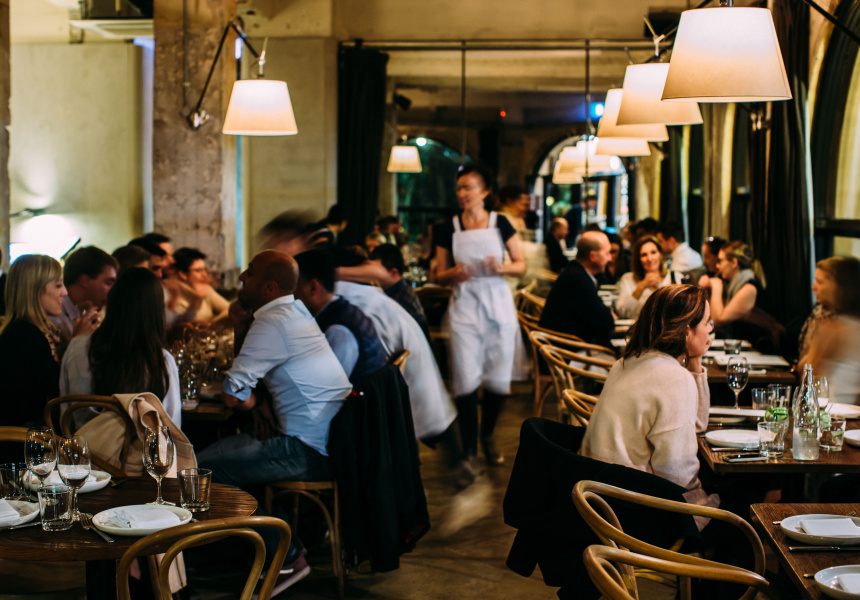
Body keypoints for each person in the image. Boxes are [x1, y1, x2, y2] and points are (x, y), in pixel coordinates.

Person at [197, 250, 352, 593]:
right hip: (328, 439)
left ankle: (287, 556)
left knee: (203, 474)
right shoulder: (295, 310)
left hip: (307, 449)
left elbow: (232, 396)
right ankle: (268, 548)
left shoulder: (271, 323)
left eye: (249, 273)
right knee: (209, 461)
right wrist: (261, 403)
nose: (241, 277)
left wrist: (255, 403)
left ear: (268, 287)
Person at [580, 285, 716, 515]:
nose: (711, 329)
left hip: (597, 497)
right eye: (706, 323)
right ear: (686, 331)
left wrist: (695, 361)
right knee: (742, 504)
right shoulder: (674, 378)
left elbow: (697, 425)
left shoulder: (627, 362)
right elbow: (676, 475)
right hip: (634, 510)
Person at [434, 164, 525, 466]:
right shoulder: (449, 227)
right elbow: (438, 274)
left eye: (468, 187)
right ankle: (469, 450)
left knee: (497, 380)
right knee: (465, 379)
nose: (462, 193)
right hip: (464, 308)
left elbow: (520, 264)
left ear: (485, 192)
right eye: (459, 188)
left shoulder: (501, 223)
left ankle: (488, 434)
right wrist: (454, 273)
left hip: (498, 306)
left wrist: (501, 267)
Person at [60, 267, 182, 424]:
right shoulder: (161, 360)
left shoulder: (77, 347)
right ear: (157, 311)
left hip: (83, 438)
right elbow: (171, 424)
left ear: (112, 300)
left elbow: (66, 411)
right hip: (142, 440)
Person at [292, 249, 387, 383]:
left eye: (293, 287)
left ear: (313, 287)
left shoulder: (339, 330)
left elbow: (326, 388)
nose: (289, 295)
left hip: (358, 396)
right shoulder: (341, 309)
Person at [0, 255, 64, 426]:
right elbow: (60, 391)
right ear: (36, 290)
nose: (64, 292)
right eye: (58, 285)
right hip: (23, 437)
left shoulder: (19, 329)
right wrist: (78, 343)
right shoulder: (27, 336)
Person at [798, 256, 860, 404]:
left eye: (820, 282)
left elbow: (808, 377)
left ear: (842, 287)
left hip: (831, 412)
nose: (813, 287)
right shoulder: (848, 324)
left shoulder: (833, 328)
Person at [538, 230, 615, 347]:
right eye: (607, 253)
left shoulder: (575, 271)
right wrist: (609, 315)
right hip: (567, 353)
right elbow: (607, 322)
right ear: (593, 256)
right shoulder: (578, 279)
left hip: (564, 346)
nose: (610, 259)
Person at [698, 240, 779, 350]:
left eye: (720, 261)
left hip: (757, 351)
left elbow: (718, 320)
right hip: (741, 348)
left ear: (734, 263)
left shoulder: (750, 288)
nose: (717, 266)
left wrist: (716, 286)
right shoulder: (731, 286)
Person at [50, 246, 118, 354]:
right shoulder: (55, 315)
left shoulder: (79, 310)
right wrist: (78, 339)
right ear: (84, 281)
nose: (113, 290)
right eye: (108, 283)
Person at [369, 243, 431, 342]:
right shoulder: (400, 291)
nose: (373, 275)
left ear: (394, 272)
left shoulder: (401, 299)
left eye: (377, 271)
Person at [616, 236, 683, 319]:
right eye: (644, 255)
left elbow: (682, 310)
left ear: (660, 254)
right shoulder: (627, 279)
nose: (649, 259)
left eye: (653, 252)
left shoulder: (675, 277)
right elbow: (622, 312)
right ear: (638, 259)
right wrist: (641, 287)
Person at [170, 247, 230, 322]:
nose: (204, 275)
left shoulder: (205, 290)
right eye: (198, 270)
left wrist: (210, 324)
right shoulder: (173, 295)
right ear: (183, 274)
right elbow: (181, 324)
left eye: (204, 269)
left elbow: (230, 310)